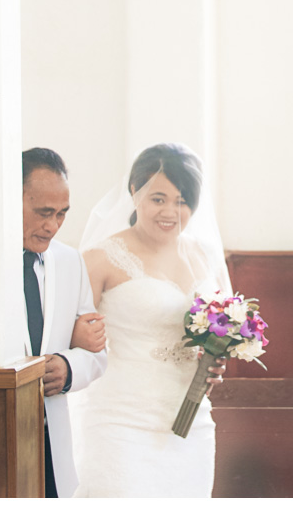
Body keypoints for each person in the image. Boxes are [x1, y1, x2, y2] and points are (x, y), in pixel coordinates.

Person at [68, 143, 229, 497]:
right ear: (134, 192)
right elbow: (69, 340)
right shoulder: (99, 259)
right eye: (158, 198)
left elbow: (218, 328)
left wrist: (216, 358)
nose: (171, 211)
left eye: (182, 200)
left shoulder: (203, 255)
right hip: (120, 421)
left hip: (190, 423)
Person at [21, 147, 108, 498]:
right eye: (43, 213)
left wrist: (67, 367)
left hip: (50, 444)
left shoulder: (70, 261)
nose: (52, 226)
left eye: (61, 214)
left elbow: (97, 355)